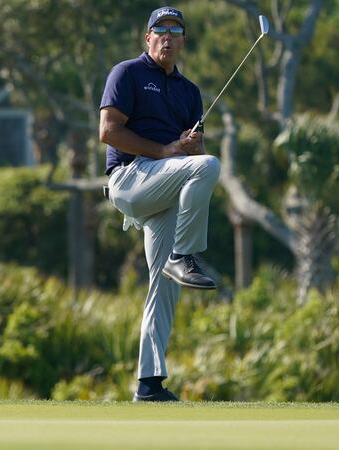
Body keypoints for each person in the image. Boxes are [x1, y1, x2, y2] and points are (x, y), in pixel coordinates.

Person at [99, 6, 220, 402]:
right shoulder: (127, 73)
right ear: (146, 38)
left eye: (176, 30)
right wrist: (170, 150)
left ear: (183, 41)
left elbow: (194, 155)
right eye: (160, 30)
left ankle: (149, 384)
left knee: (163, 286)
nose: (167, 36)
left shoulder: (189, 91)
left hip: (165, 187)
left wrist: (189, 147)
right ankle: (184, 253)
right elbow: (108, 131)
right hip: (130, 180)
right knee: (208, 167)